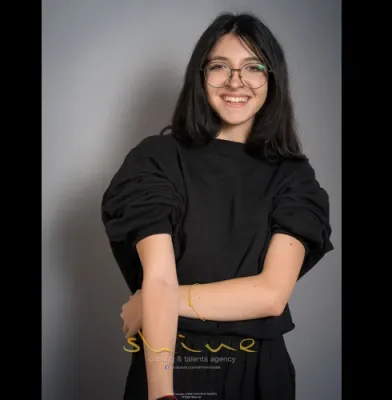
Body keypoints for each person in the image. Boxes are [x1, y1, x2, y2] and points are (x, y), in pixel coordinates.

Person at [101, 11, 334, 400]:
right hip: (173, 366)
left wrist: (154, 302)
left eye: (253, 67)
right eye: (220, 66)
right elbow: (159, 277)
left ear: (271, 78)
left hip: (262, 375)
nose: (235, 81)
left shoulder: (294, 176)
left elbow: (271, 294)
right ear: (201, 76)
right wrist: (162, 395)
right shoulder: (157, 158)